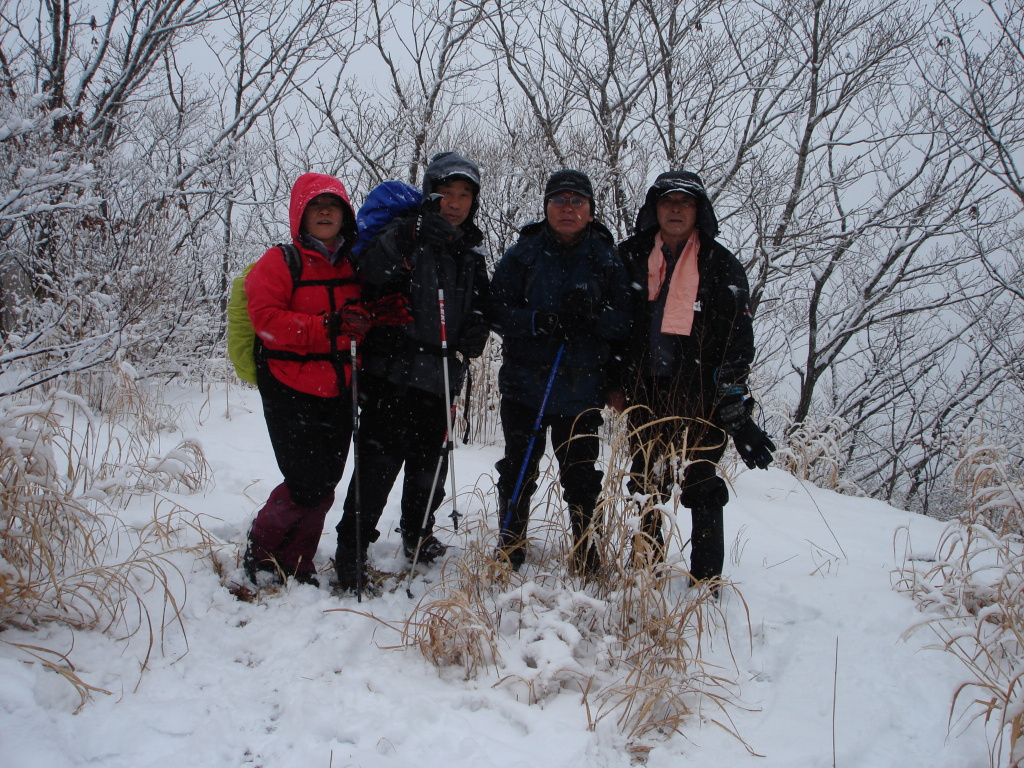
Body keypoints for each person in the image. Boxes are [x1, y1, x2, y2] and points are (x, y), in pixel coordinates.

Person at [242, 173, 410, 587]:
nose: (324, 213)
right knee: (304, 478)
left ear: (345, 215)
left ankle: (298, 559)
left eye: (332, 207)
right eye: (316, 206)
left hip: (338, 385)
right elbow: (267, 321)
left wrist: (379, 316)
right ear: (300, 215)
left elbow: (361, 316)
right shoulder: (279, 262)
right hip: (288, 382)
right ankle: (263, 550)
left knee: (328, 476)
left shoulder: (354, 263)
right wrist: (331, 326)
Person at [333, 152, 491, 591]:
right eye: (447, 193)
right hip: (393, 374)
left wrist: (477, 324)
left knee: (431, 467)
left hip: (441, 377)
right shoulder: (402, 233)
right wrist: (407, 236)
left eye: (465, 195)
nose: (456, 203)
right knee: (377, 466)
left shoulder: (470, 251)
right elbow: (370, 273)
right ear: (430, 194)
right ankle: (352, 548)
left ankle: (418, 534)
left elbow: (481, 300)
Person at [618, 170, 775, 587]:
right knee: (646, 479)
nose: (675, 208)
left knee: (701, 482)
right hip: (645, 392)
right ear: (654, 208)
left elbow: (738, 343)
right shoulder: (630, 255)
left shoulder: (721, 265)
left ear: (698, 211)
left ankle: (706, 582)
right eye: (667, 201)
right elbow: (610, 325)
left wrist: (734, 405)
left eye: (684, 202)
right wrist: (612, 380)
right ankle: (644, 574)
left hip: (700, 397)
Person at [488, 169, 631, 574]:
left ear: (590, 210)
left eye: (577, 202)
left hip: (581, 389)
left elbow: (625, 322)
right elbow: (496, 310)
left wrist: (594, 315)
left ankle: (587, 552)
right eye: (559, 201)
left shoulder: (606, 258)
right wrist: (540, 322)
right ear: (547, 207)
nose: (568, 209)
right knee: (518, 469)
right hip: (524, 386)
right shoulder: (524, 253)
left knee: (582, 477)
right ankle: (509, 547)